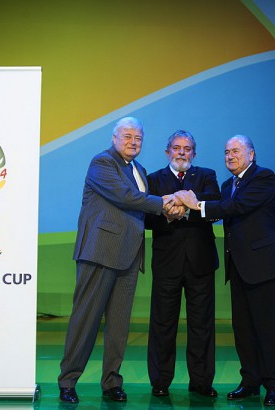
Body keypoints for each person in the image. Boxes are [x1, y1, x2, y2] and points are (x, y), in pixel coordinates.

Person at [57, 117, 176, 404]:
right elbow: (125, 197)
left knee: (119, 326)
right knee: (86, 320)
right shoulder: (102, 162)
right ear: (114, 138)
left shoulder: (139, 170)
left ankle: (112, 382)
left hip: (129, 256)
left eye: (138, 138)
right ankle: (68, 381)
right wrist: (165, 202)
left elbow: (139, 209)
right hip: (100, 253)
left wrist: (172, 211)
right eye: (128, 136)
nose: (133, 142)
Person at [174, 135, 275, 407]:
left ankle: (273, 385)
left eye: (236, 151)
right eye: (226, 152)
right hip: (238, 267)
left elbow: (237, 207)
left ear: (251, 154)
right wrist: (180, 205)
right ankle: (250, 381)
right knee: (243, 329)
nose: (230, 156)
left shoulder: (263, 177)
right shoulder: (228, 185)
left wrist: (195, 204)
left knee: (266, 328)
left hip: (264, 267)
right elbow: (217, 209)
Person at [145, 130, 221, 398]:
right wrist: (168, 215)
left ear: (194, 154)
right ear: (167, 152)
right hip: (166, 263)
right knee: (163, 325)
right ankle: (160, 381)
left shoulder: (207, 176)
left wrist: (185, 207)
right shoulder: (153, 179)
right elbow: (146, 218)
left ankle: (201, 382)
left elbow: (215, 206)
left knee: (202, 325)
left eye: (187, 149)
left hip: (201, 263)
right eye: (177, 148)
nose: (181, 152)